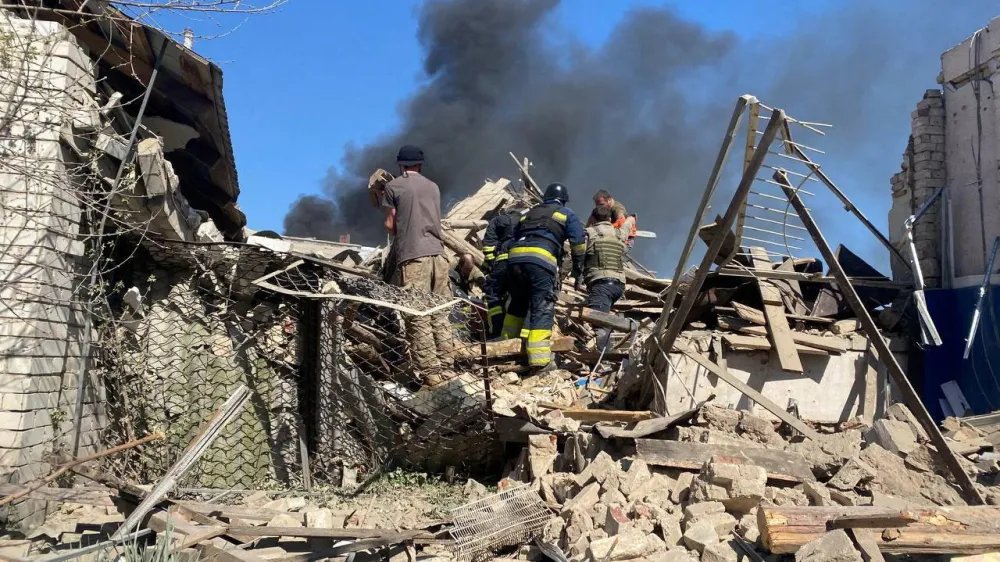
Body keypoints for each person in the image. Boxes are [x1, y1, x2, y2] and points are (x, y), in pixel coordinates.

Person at [382, 144, 455, 386]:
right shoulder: (433, 187)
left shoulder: (394, 186)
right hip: (439, 256)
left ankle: (431, 374)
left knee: (418, 315)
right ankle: (447, 367)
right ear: (420, 164)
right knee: (440, 314)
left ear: (400, 164)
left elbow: (392, 226)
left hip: (414, 257)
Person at [504, 183, 586, 371]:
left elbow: (513, 237)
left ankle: (505, 350)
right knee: (542, 307)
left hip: (514, 260)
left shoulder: (528, 213)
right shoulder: (567, 214)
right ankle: (540, 362)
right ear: (563, 200)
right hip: (540, 261)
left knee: (517, 303)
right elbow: (578, 244)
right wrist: (578, 270)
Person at [580, 205, 627, 352]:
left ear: (593, 218)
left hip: (602, 284)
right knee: (604, 317)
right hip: (619, 286)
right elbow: (629, 224)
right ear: (610, 219)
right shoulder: (620, 234)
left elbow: (577, 255)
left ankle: (605, 360)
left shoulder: (589, 233)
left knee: (599, 322)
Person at [481, 202, 527, 339]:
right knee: (519, 296)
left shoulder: (498, 220)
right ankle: (517, 333)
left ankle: (496, 331)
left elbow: (488, 246)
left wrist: (489, 264)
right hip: (521, 263)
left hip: (502, 263)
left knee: (493, 295)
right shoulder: (526, 221)